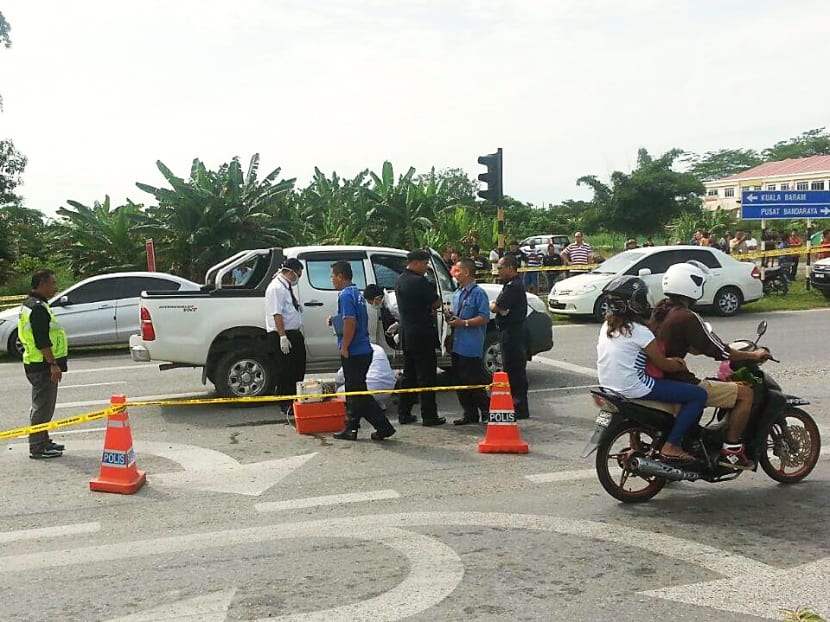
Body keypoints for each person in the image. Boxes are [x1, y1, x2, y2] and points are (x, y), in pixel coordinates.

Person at [652, 261, 771, 469]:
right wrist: (754, 355)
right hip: (676, 379)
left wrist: (693, 348)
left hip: (658, 376)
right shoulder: (687, 316)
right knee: (745, 394)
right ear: (691, 285)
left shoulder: (661, 310)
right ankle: (731, 450)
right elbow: (721, 350)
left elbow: (674, 343)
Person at [596, 275, 706, 462]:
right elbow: (662, 363)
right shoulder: (639, 331)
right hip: (635, 387)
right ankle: (671, 445)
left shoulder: (608, 325)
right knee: (698, 395)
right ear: (632, 303)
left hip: (608, 386)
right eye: (640, 299)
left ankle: (641, 441)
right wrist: (678, 362)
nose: (644, 303)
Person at [330, 261, 396, 441]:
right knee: (357, 393)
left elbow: (350, 322)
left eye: (333, 277)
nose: (332, 281)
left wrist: (344, 346)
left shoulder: (345, 295)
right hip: (363, 348)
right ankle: (352, 427)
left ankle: (380, 427)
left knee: (357, 394)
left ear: (340, 276)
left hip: (355, 350)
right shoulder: (356, 293)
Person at [19, 270, 68, 459]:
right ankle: (38, 446)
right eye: (52, 283)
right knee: (43, 407)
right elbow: (42, 340)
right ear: (41, 284)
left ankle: (43, 439)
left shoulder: (31, 305)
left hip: (35, 362)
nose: (55, 287)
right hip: (42, 365)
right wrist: (53, 364)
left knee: (43, 405)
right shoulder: (38, 308)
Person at [395, 249, 446, 426]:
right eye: (425, 264)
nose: (426, 268)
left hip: (408, 334)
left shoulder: (401, 279)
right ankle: (429, 415)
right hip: (422, 334)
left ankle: (404, 412)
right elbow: (436, 302)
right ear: (416, 262)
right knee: (426, 376)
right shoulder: (419, 281)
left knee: (409, 375)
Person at [446, 258, 491, 425]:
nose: (455, 275)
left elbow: (484, 317)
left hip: (470, 345)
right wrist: (450, 316)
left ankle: (486, 411)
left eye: (457, 271)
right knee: (459, 381)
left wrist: (464, 323)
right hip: (457, 344)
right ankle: (469, 413)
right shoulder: (457, 293)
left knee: (473, 381)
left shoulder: (478, 293)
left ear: (466, 272)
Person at [490, 254, 530, 419]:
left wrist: (494, 305)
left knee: (514, 370)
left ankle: (519, 406)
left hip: (513, 332)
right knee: (511, 369)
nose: (498, 271)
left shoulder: (513, 287)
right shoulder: (511, 285)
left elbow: (498, 307)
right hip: (510, 331)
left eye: (501, 267)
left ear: (510, 268)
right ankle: (516, 404)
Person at [265, 257, 306, 413]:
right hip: (283, 334)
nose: (298, 278)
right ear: (290, 272)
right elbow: (277, 314)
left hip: (293, 333)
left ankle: (294, 399)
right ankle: (286, 403)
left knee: (297, 368)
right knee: (286, 370)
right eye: (298, 274)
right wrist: (283, 337)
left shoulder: (286, 286)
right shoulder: (276, 288)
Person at [334, 342, 397, 412]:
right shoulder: (378, 348)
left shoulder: (356, 350)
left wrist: (336, 387)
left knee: (340, 391)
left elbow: (340, 376)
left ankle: (362, 408)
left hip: (370, 389)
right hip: (389, 388)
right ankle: (378, 404)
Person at [363, 283, 400, 348]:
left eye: (371, 302)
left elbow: (408, 319)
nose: (372, 305)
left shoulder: (393, 306)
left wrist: (400, 335)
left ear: (377, 298)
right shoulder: (390, 298)